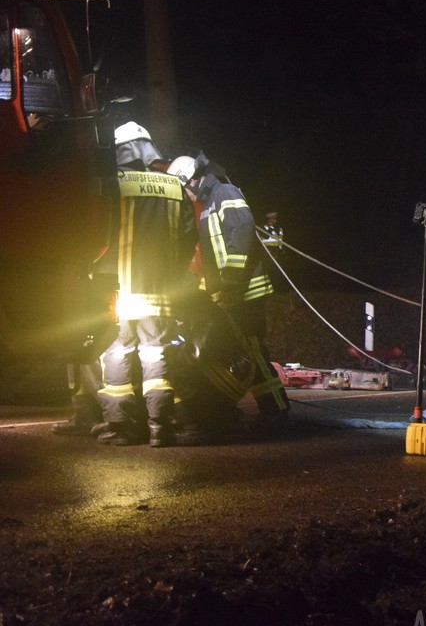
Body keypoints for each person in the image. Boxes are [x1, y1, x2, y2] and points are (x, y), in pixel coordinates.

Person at [169, 152, 291, 430]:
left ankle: (278, 413)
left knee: (254, 351)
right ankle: (259, 411)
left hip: (244, 291)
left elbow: (243, 231)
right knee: (242, 351)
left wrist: (231, 278)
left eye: (183, 190)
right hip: (231, 291)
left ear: (190, 181)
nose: (185, 197)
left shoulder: (224, 192)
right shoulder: (208, 202)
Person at [94, 121, 198, 446]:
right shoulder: (173, 185)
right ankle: (159, 427)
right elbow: (186, 237)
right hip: (160, 290)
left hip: (119, 288)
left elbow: (98, 232)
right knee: (156, 354)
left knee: (116, 352)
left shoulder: (115, 183)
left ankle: (121, 427)